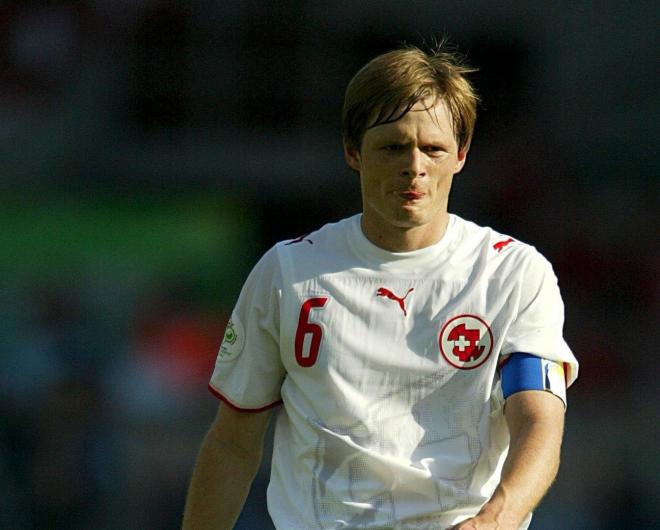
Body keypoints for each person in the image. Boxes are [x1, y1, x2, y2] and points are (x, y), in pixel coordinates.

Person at [182, 43, 578, 530]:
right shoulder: (287, 273)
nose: (414, 165)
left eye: (432, 148)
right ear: (353, 152)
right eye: (393, 146)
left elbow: (539, 420)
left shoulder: (512, 273)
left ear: (461, 154)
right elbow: (233, 442)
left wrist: (496, 519)